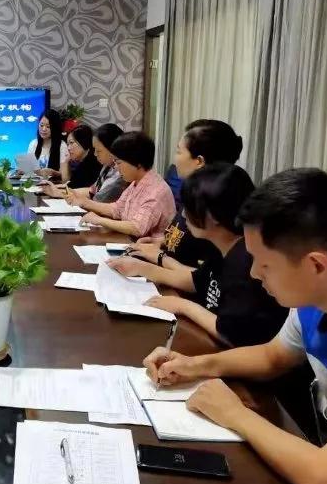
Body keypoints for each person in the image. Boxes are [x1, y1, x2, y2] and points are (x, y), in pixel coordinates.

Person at [142, 168, 327, 484]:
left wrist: (235, 414)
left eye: (265, 264)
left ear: (317, 265)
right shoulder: (311, 305)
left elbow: (325, 475)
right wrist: (194, 365)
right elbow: (272, 356)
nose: (253, 274)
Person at [108, 164, 289, 346]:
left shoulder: (245, 261)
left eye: (189, 207)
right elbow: (196, 281)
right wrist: (141, 268)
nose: (183, 214)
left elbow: (231, 334)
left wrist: (183, 306)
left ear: (213, 216)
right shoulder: (221, 247)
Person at [128, 119, 244, 268]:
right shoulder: (193, 193)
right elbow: (183, 240)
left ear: (199, 161)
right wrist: (160, 242)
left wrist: (158, 258)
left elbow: (203, 276)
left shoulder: (216, 205)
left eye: (179, 151)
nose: (175, 159)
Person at [70, 132, 175, 238]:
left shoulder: (156, 190)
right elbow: (117, 209)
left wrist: (99, 220)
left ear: (138, 162)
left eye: (118, 162)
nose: (115, 167)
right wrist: (85, 203)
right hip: (130, 241)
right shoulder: (136, 182)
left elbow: (137, 228)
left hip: (147, 245)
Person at [62, 123, 128, 203]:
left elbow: (100, 199)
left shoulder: (121, 173)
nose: (95, 154)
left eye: (99, 151)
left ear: (112, 148)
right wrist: (60, 193)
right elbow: (92, 191)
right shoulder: (106, 166)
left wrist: (82, 202)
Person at [42, 125, 101, 197]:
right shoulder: (83, 162)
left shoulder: (92, 163)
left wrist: (54, 190)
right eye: (67, 144)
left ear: (83, 141)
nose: (68, 148)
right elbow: (69, 184)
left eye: (71, 143)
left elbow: (71, 188)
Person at [25, 109, 70, 180]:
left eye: (48, 127)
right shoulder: (33, 143)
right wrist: (24, 169)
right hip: (34, 183)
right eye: (41, 125)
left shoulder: (62, 145)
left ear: (55, 128)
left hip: (54, 183)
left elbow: (65, 176)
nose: (43, 129)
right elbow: (29, 169)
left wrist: (53, 172)